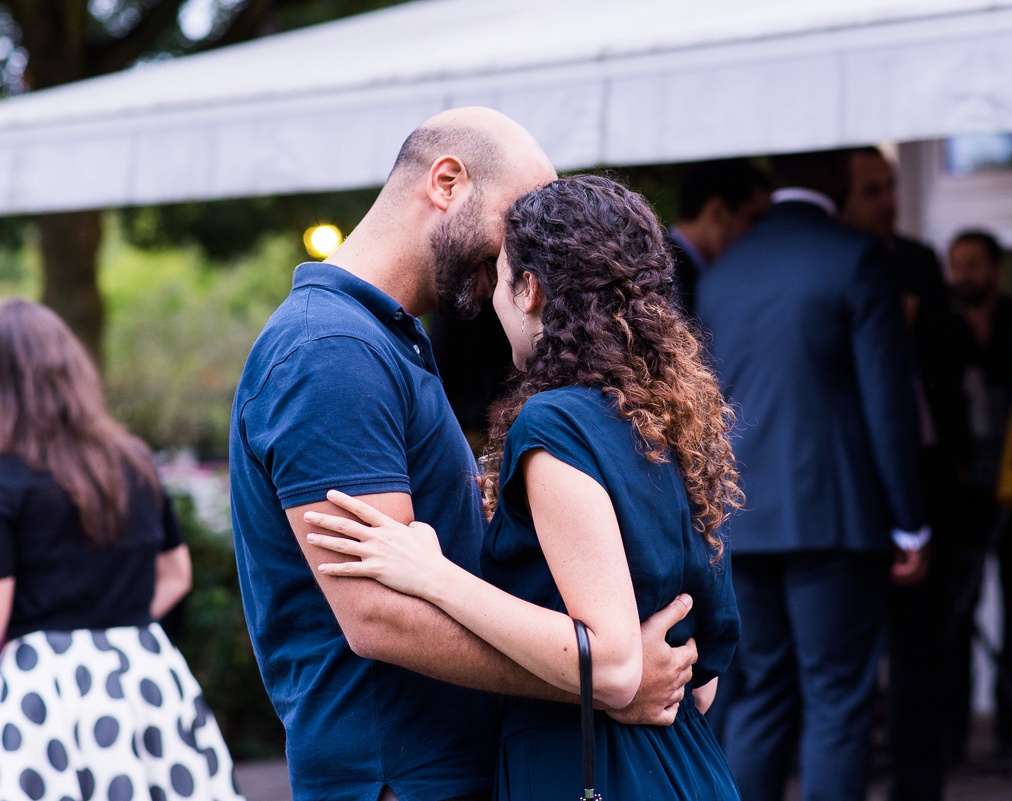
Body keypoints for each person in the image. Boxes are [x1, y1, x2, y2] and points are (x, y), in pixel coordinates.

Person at [228, 108, 697, 801]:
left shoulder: (386, 338)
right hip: (401, 779)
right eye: (516, 220)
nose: (524, 252)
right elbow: (379, 613)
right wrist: (600, 679)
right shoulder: (331, 352)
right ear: (446, 181)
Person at [303, 174, 743, 799]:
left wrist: (431, 573)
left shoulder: (557, 424)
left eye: (500, 275)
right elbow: (700, 684)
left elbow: (615, 665)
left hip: (586, 766)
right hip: (687, 764)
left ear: (530, 289)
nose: (490, 300)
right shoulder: (670, 425)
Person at [696, 150, 928, 801]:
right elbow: (889, 402)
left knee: (762, 692)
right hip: (834, 515)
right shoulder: (857, 257)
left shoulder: (724, 270)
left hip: (743, 517)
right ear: (839, 183)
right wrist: (910, 520)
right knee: (838, 700)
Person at [0, 298, 243, 801]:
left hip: (41, 690)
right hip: (142, 671)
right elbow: (177, 573)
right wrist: (114, 622)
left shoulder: (6, 480)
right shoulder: (130, 460)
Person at [839, 145, 962, 801]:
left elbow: (947, 368)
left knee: (922, 648)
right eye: (872, 189)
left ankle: (921, 783)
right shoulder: (829, 264)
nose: (888, 199)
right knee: (847, 667)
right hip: (848, 492)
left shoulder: (915, 261)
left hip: (922, 470)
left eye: (891, 186)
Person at [944, 229, 1012, 766]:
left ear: (997, 269)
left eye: (974, 265)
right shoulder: (943, 323)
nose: (964, 276)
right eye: (957, 265)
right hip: (960, 493)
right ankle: (954, 733)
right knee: (957, 614)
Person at [668, 158, 771, 319]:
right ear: (718, 212)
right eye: (754, 218)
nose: (759, 231)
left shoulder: (671, 264)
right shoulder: (668, 275)